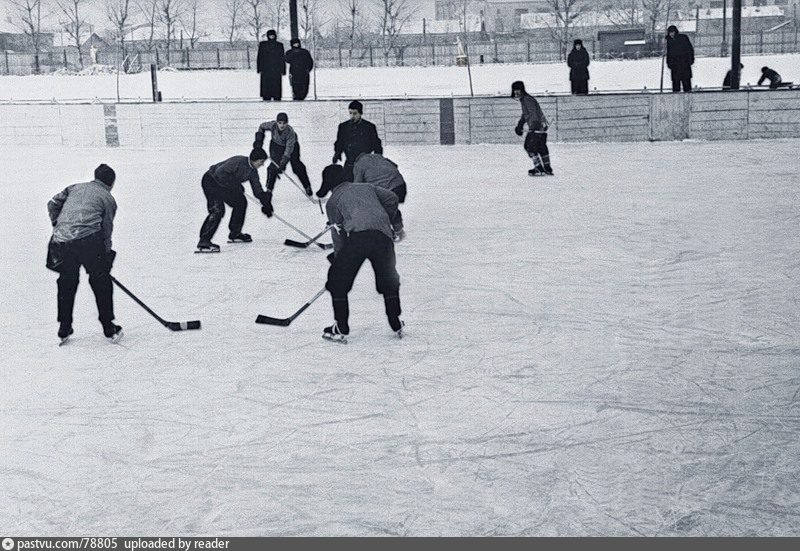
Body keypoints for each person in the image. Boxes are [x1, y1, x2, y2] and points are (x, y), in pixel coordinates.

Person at [315, 165, 403, 343]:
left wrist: (339, 260)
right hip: (383, 238)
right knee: (388, 280)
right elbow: (392, 198)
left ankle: (341, 325)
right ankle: (395, 321)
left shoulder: (332, 202)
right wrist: (391, 220)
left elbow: (338, 235)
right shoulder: (366, 187)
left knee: (337, 281)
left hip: (359, 240)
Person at [46, 164, 122, 343]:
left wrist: (58, 223)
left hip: (61, 241)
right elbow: (106, 229)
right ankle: (108, 327)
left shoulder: (74, 187)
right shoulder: (108, 198)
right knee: (100, 281)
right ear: (111, 182)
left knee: (66, 281)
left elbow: (52, 203)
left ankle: (64, 328)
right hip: (88, 241)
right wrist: (105, 256)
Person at [197, 148, 270, 253]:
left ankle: (235, 233)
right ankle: (204, 241)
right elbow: (220, 173)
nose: (262, 164)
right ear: (255, 159)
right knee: (218, 210)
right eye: (261, 161)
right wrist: (235, 184)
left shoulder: (253, 172)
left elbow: (257, 189)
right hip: (211, 181)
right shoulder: (238, 161)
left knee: (241, 203)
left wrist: (265, 201)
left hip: (225, 185)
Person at [254, 112, 313, 197]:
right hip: (276, 146)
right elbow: (261, 127)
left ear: (287, 123)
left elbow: (289, 149)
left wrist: (283, 163)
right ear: (276, 122)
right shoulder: (272, 125)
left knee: (297, 166)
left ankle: (307, 186)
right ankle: (269, 190)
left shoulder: (290, 132)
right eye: (280, 123)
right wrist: (258, 141)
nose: (282, 125)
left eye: (284, 123)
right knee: (273, 167)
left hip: (292, 147)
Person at [352, 152, 407, 241]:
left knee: (377, 211)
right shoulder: (378, 156)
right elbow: (395, 165)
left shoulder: (359, 164)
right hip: (400, 185)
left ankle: (389, 234)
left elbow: (357, 185)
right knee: (390, 208)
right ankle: (399, 231)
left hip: (387, 190)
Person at [333, 100, 383, 182]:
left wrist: (378, 161)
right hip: (349, 165)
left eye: (355, 113)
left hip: (365, 166)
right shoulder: (343, 127)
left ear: (361, 113)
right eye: (350, 113)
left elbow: (377, 145)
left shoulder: (369, 127)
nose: (352, 116)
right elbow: (339, 142)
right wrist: (337, 153)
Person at [512, 81, 553, 176]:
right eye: (515, 90)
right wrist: (520, 124)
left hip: (537, 126)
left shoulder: (527, 99)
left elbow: (533, 112)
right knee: (541, 147)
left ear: (522, 90)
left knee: (529, 146)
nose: (516, 93)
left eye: (518, 90)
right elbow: (526, 114)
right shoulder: (525, 99)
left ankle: (539, 167)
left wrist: (534, 125)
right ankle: (547, 168)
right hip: (541, 126)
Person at [257, 29, 285, 101]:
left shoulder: (279, 45)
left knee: (276, 85)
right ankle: (266, 96)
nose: (271, 37)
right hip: (266, 69)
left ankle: (276, 96)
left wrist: (283, 69)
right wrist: (259, 68)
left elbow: (282, 58)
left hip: (276, 69)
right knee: (266, 85)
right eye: (270, 35)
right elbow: (260, 57)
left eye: (272, 35)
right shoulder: (263, 45)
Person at [666, 25, 694, 93]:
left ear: (675, 32)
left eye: (672, 32)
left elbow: (690, 50)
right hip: (675, 68)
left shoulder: (683, 38)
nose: (671, 34)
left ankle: (688, 101)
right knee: (676, 88)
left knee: (687, 87)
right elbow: (669, 53)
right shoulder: (669, 41)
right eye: (670, 32)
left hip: (685, 66)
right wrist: (669, 63)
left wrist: (690, 60)